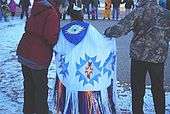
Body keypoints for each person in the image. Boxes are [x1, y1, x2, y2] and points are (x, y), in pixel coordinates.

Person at [104, 0, 170, 113]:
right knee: (158, 88)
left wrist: (108, 32)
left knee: (137, 90)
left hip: (139, 57)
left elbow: (121, 28)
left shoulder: (138, 11)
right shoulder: (165, 13)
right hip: (158, 57)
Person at [53, 2, 118, 114]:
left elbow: (57, 47)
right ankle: (87, 107)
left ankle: (70, 107)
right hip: (86, 72)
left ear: (71, 16)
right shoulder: (89, 28)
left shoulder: (63, 30)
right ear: (82, 16)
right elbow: (100, 43)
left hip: (70, 72)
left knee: (70, 83)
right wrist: (110, 41)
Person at [16, 0, 60, 113]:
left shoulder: (36, 8)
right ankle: (42, 111)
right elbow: (50, 37)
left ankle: (28, 110)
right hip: (38, 57)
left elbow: (27, 27)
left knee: (29, 85)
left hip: (25, 51)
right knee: (41, 88)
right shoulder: (51, 13)